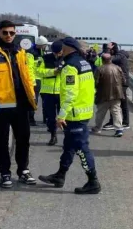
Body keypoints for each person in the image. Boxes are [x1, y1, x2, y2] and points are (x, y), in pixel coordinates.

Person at [0, 20, 38, 188]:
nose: (9, 36)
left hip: (21, 104)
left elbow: (27, 76)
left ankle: (23, 170)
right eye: (5, 33)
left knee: (23, 139)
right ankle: (5, 173)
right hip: (1, 106)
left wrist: (32, 95)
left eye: (12, 33)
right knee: (2, 142)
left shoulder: (20, 52)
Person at [39, 37, 101, 194]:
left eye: (62, 47)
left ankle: (93, 181)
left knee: (81, 148)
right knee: (69, 146)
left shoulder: (70, 67)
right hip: (84, 111)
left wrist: (61, 115)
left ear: (67, 48)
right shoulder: (84, 63)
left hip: (75, 114)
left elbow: (69, 94)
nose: (61, 49)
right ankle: (60, 176)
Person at [91, 53, 125, 137]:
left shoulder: (100, 69)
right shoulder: (118, 68)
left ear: (102, 60)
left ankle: (98, 128)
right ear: (111, 59)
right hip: (117, 93)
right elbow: (124, 80)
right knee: (116, 111)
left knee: (100, 112)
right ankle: (119, 129)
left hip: (103, 94)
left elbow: (95, 82)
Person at [37, 40, 64, 146]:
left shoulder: (67, 59)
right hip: (48, 93)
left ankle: (67, 137)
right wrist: (53, 71)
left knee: (64, 116)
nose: (58, 55)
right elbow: (37, 71)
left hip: (62, 92)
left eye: (60, 52)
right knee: (50, 117)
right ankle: (53, 135)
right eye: (56, 53)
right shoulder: (44, 58)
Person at [103, 42, 130, 130]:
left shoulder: (119, 56)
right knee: (122, 102)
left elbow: (107, 58)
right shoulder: (120, 55)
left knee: (114, 102)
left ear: (113, 48)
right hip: (120, 82)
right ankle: (124, 122)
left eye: (109, 48)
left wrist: (107, 49)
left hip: (120, 83)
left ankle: (114, 122)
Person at [26, 36, 47, 126]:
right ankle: (30, 119)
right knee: (33, 101)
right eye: (45, 45)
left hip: (39, 79)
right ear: (41, 45)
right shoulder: (31, 53)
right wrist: (32, 81)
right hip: (34, 80)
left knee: (36, 101)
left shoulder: (40, 51)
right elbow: (29, 68)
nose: (45, 47)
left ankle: (32, 118)